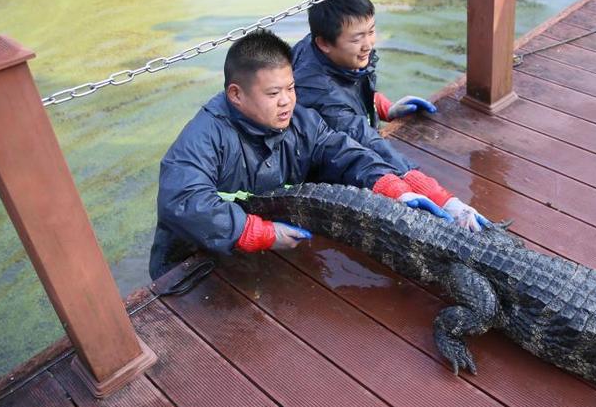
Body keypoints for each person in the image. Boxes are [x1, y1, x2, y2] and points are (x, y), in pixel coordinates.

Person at [149, 29, 454, 280]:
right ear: (236, 95)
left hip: (264, 246)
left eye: (291, 88)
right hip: (193, 261)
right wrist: (258, 233)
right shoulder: (204, 137)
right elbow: (182, 200)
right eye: (273, 93)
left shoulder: (301, 121)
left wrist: (394, 187)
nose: (286, 102)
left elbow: (343, 152)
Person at [291, 0, 490, 232]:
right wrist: (442, 198)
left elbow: (350, 86)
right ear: (324, 43)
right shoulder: (319, 93)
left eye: (371, 31)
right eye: (357, 39)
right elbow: (362, 139)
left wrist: (382, 106)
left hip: (343, 132)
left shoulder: (321, 47)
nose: (368, 44)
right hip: (321, 174)